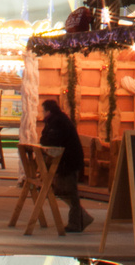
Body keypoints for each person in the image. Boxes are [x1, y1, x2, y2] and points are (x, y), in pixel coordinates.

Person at [38, 98, 92, 231]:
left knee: (69, 191)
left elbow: (49, 140)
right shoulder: (58, 119)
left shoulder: (57, 121)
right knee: (63, 190)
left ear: (48, 111)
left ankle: (77, 222)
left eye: (43, 111)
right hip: (69, 160)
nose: (42, 113)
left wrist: (44, 138)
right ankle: (81, 217)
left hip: (69, 161)